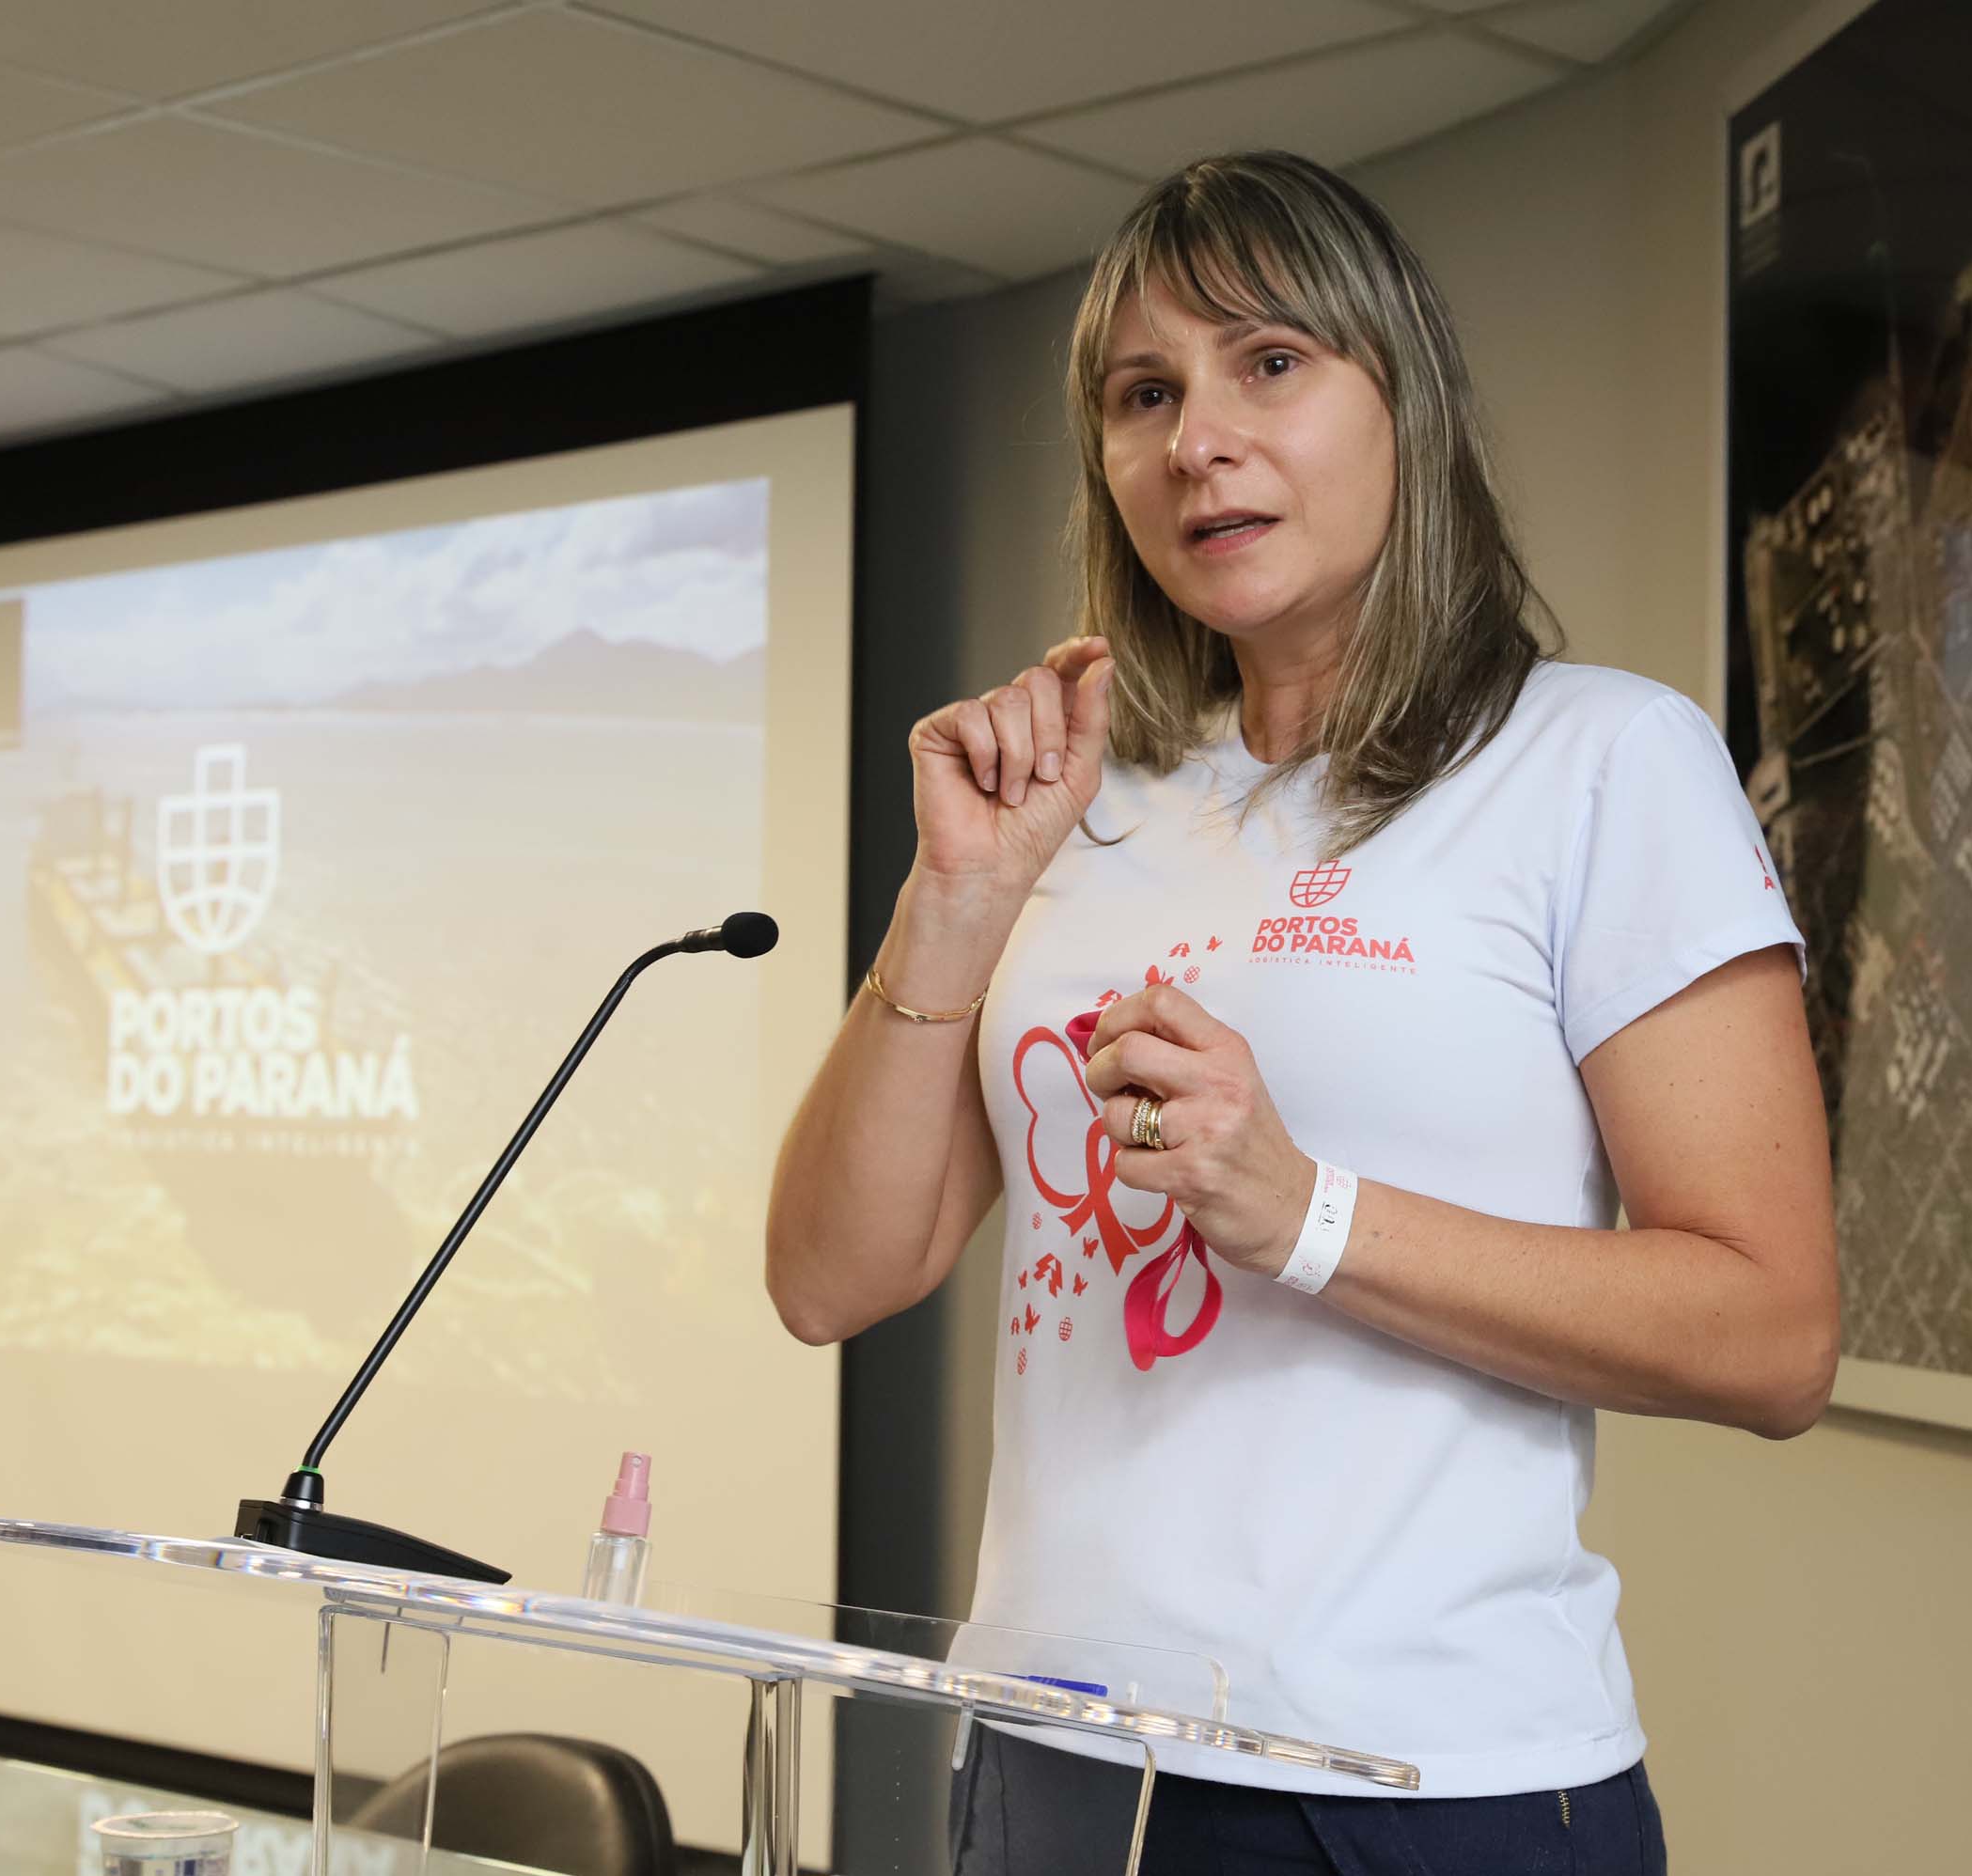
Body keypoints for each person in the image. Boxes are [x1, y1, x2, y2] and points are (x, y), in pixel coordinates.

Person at [766, 150, 1836, 1875]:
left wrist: (1305, 1215)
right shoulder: (1085, 806)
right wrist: (953, 901)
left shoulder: (1598, 761)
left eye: (1269, 362)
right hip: (1051, 1754)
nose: (1196, 438)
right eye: (1143, 393)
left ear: (1401, 399)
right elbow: (830, 1277)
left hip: (1420, 1781)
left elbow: (1775, 1334)